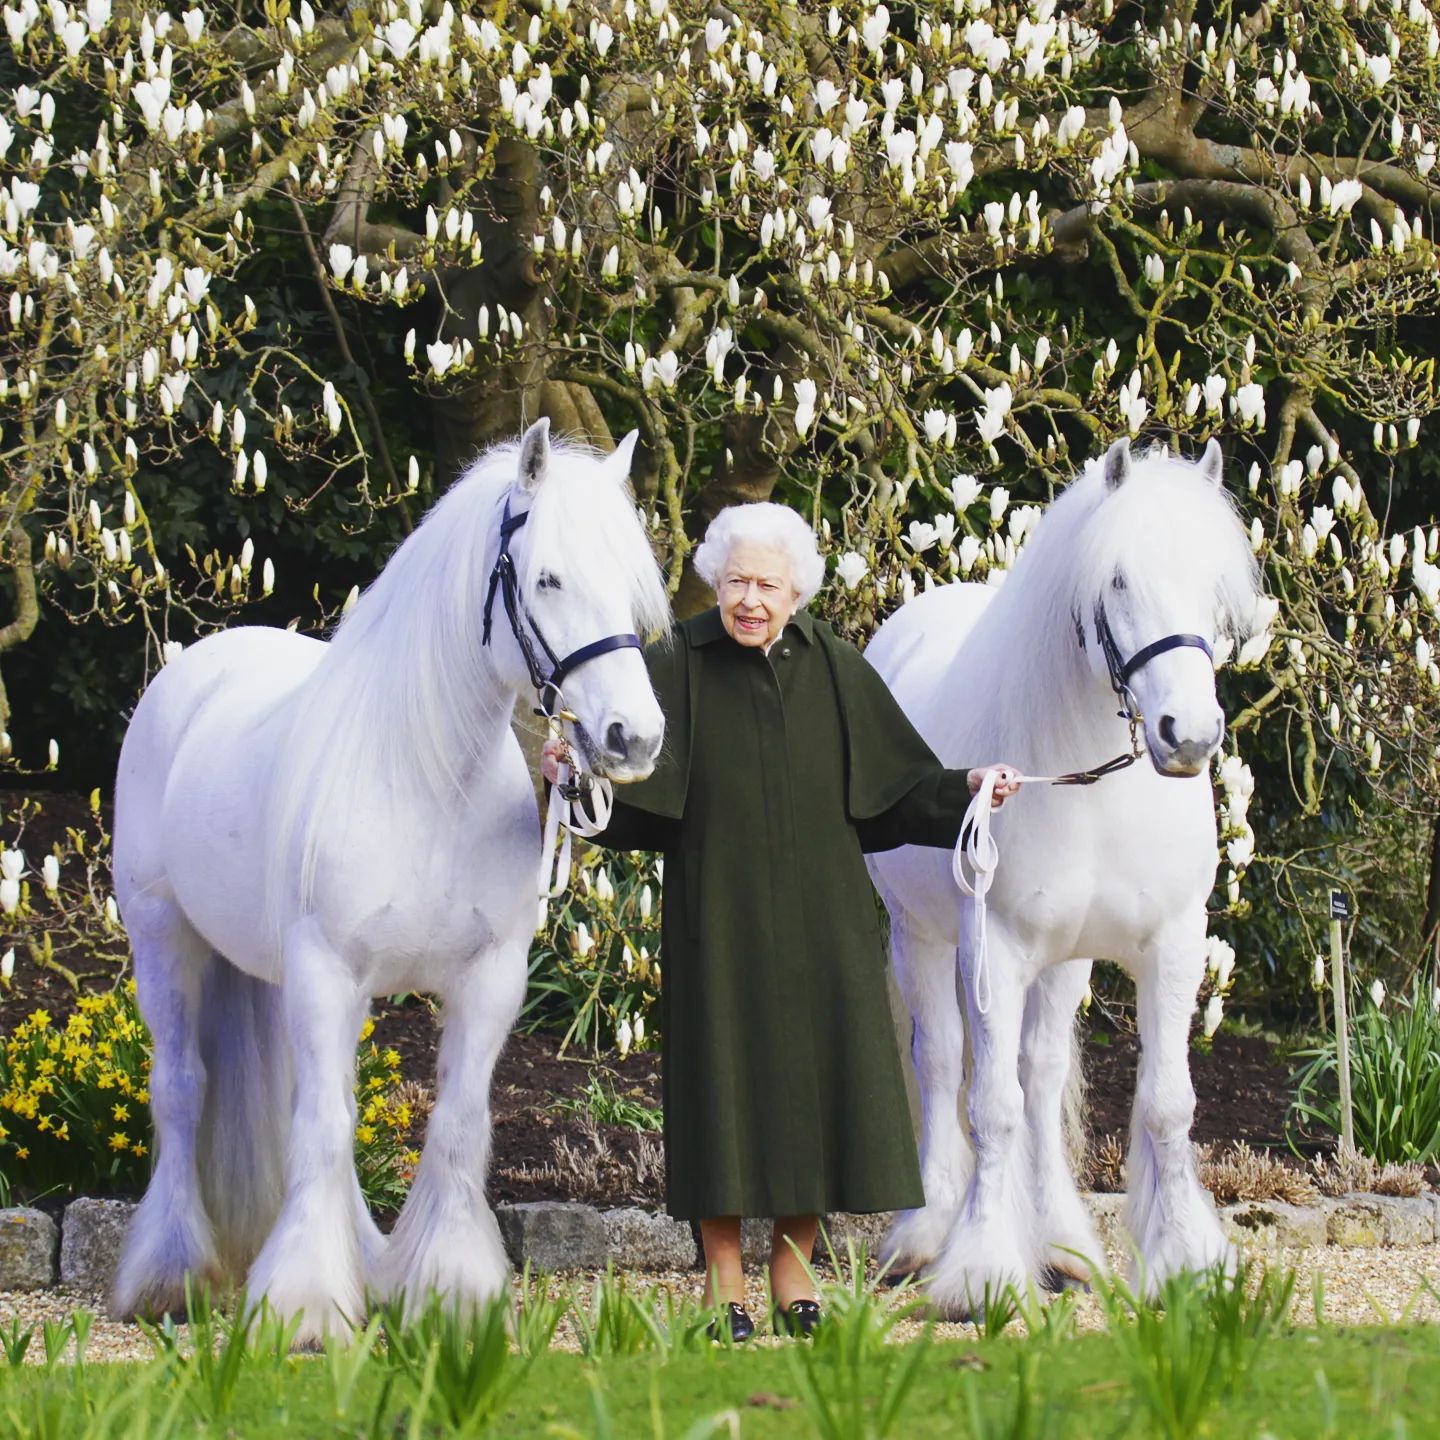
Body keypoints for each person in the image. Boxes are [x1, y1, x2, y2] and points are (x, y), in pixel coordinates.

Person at [542, 502, 1019, 1341]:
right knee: (721, 1090)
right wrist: (569, 778)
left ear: (797, 590)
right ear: (714, 585)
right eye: (734, 582)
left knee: (818, 1091)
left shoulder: (835, 667)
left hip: (823, 921)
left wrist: (972, 786)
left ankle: (792, 1262)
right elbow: (627, 798)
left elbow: (900, 789)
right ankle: (723, 1271)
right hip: (714, 918)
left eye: (766, 584)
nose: (749, 599)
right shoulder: (677, 663)